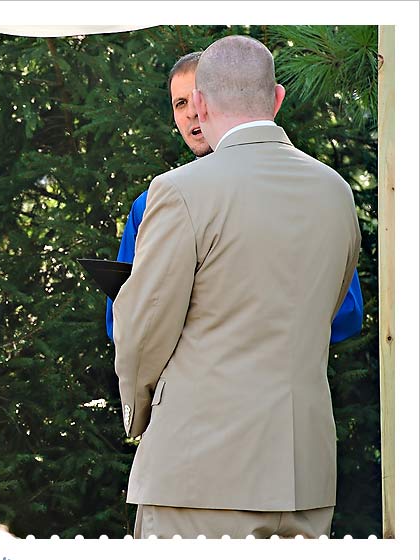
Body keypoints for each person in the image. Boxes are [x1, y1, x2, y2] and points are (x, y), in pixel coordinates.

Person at [111, 36, 362, 539]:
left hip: (199, 471)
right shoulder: (335, 190)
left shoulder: (179, 190)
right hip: (305, 475)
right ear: (277, 100)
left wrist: (139, 416)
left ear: (200, 103)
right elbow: (331, 307)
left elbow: (141, 332)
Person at [105, 52, 363, 343]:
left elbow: (348, 311)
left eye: (197, 98)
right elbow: (120, 322)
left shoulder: (313, 191)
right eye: (180, 103)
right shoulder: (151, 203)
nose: (192, 111)